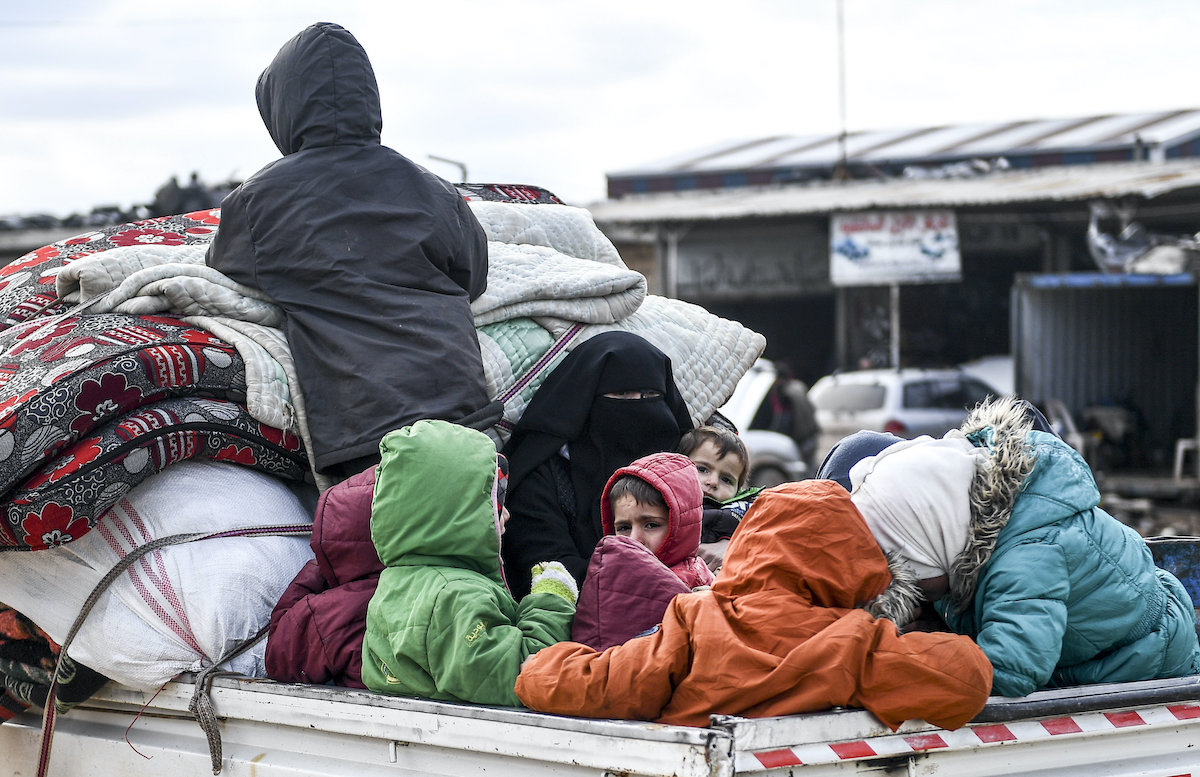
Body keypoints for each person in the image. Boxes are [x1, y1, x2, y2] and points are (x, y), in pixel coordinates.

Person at [206, 22, 498, 480]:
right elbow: (473, 276)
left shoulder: (257, 201)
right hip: (464, 415)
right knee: (475, 545)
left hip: (363, 431)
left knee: (383, 550)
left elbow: (226, 270)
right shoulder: (435, 191)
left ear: (283, 108)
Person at [515, 479, 992, 730]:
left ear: (749, 544)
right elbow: (966, 679)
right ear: (852, 562)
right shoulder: (855, 642)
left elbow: (606, 685)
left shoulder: (695, 617)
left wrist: (544, 663)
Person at [847, 394, 1200, 697]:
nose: (902, 586)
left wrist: (908, 657)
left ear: (933, 542)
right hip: (1083, 657)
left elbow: (1012, 668)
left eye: (907, 570)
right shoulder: (963, 536)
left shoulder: (1031, 551)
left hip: (1142, 664)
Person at [361, 420, 577, 706]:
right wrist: (551, 598)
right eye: (495, 506)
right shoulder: (454, 596)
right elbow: (521, 678)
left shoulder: (395, 584)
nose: (507, 515)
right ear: (460, 514)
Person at [501, 332, 693, 597]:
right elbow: (549, 572)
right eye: (623, 393)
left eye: (650, 395)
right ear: (585, 402)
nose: (640, 408)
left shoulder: (683, 472)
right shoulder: (540, 479)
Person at [602, 452, 713, 589]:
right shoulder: (607, 576)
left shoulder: (690, 585)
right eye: (624, 528)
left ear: (680, 527)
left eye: (651, 525)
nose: (634, 539)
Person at [677, 425, 753, 571]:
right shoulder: (658, 503)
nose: (713, 482)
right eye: (702, 469)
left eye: (726, 479)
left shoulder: (739, 516)